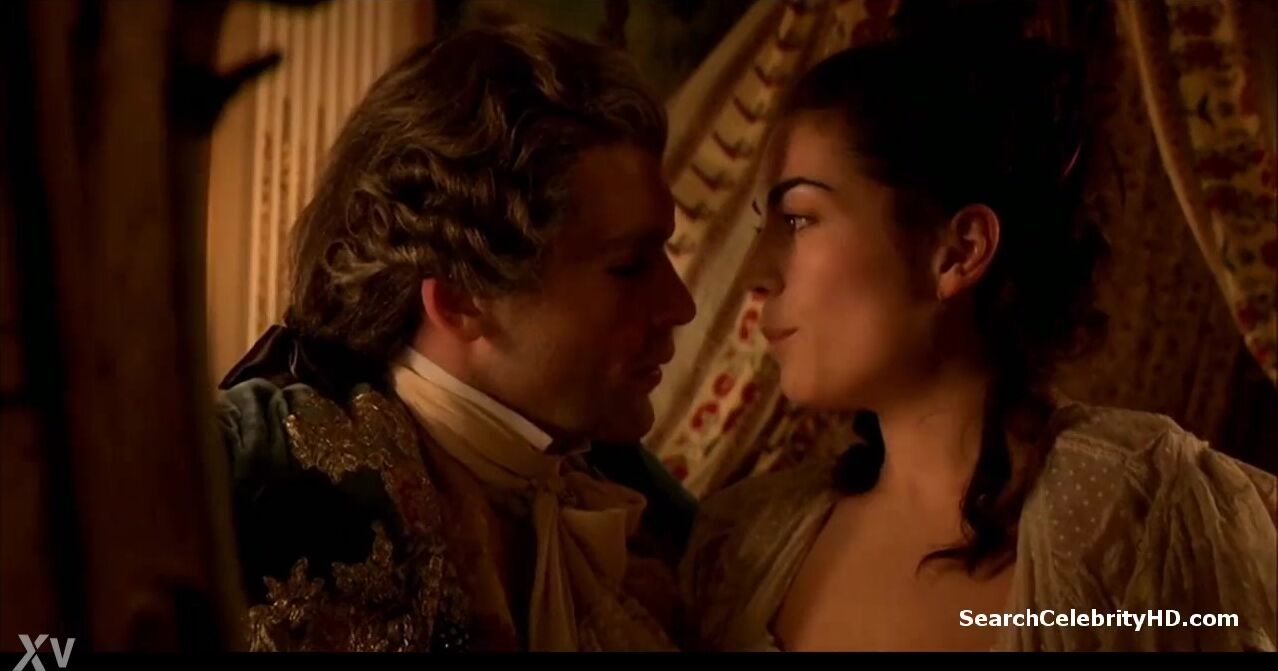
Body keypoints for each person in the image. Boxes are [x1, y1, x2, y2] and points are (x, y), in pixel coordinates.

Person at [679, 0, 1277, 653]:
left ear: (958, 251)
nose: (757, 273)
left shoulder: (1135, 510)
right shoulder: (741, 548)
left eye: (798, 218)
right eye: (763, 225)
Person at [215, 23, 698, 652]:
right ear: (461, 299)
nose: (680, 305)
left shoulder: (625, 484)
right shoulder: (268, 467)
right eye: (629, 266)